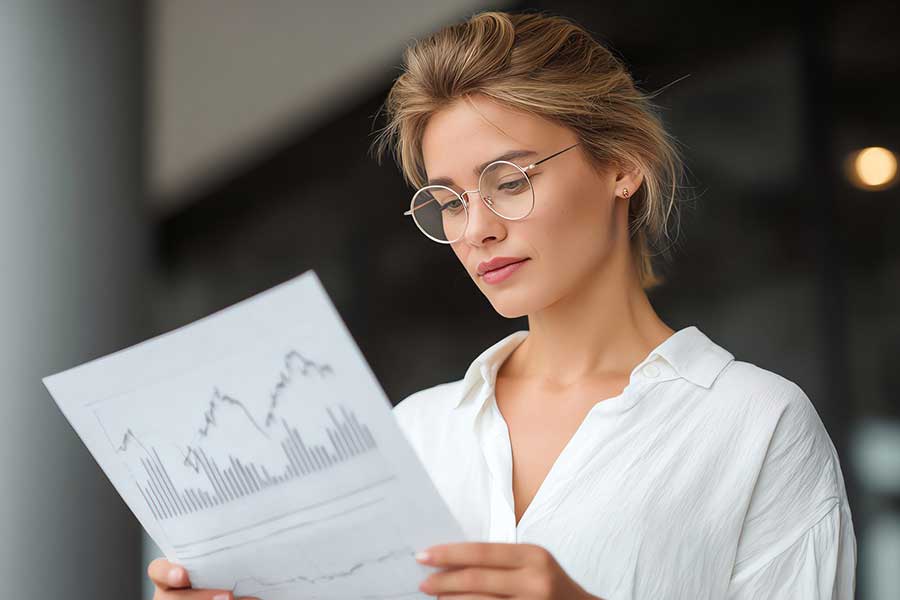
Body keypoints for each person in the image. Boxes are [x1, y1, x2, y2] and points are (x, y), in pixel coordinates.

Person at [148, 9, 857, 600]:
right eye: (449, 200)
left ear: (621, 166)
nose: (476, 228)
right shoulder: (416, 433)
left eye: (509, 180)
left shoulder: (754, 425)